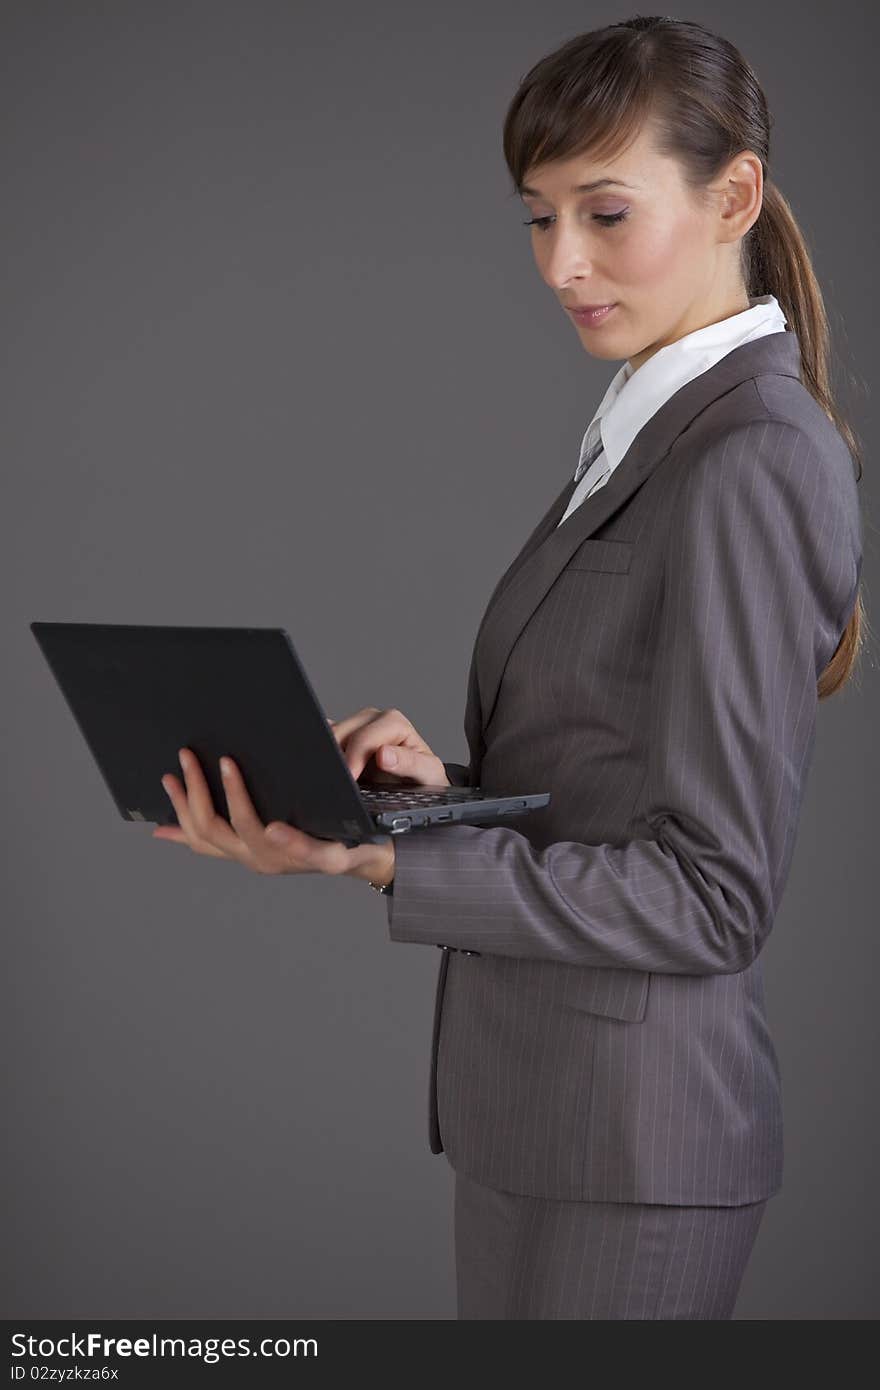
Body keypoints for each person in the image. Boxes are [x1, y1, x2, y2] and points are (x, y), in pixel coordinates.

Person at [153, 16, 865, 1319]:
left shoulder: (749, 455)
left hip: (632, 1155)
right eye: (539, 219)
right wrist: (442, 793)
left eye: (602, 212)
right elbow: (615, 797)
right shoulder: (655, 433)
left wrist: (386, 857)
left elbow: (711, 897)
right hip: (545, 1128)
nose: (561, 263)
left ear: (735, 196)